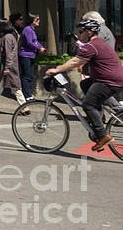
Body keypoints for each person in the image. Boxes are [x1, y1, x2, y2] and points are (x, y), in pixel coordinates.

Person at [47, 19, 123, 152]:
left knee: (88, 104)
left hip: (109, 81)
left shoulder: (92, 46)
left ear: (89, 32)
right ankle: (98, 116)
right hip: (108, 79)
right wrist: (61, 66)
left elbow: (75, 61)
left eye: (81, 31)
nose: (79, 34)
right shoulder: (95, 44)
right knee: (85, 84)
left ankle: (102, 135)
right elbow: (79, 58)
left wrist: (57, 70)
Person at [0, 17, 26, 108]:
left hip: (6, 65)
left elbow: (8, 53)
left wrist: (7, 67)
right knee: (11, 87)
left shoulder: (6, 38)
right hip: (10, 65)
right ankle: (24, 107)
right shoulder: (10, 36)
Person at [19, 13, 46, 100]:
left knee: (30, 75)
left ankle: (29, 94)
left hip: (31, 55)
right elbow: (30, 42)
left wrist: (41, 47)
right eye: (37, 19)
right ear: (32, 21)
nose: (39, 21)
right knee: (26, 75)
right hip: (26, 55)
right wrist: (39, 48)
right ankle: (27, 95)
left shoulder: (32, 30)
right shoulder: (27, 29)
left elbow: (35, 41)